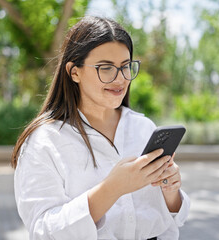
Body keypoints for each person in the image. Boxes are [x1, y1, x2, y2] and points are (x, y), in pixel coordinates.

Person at [12, 16, 190, 240]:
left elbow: (172, 217)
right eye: (106, 68)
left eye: (126, 67)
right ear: (74, 72)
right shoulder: (44, 142)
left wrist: (170, 190)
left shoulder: (143, 128)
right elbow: (43, 231)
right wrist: (112, 188)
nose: (120, 79)